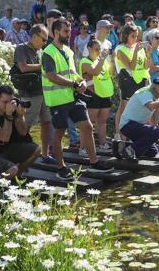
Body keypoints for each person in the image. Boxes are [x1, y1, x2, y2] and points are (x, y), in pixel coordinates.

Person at [41, 18, 113, 180]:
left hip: (73, 96)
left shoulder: (68, 50)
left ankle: (94, 162)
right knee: (59, 133)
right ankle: (61, 167)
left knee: (87, 126)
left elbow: (72, 72)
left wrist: (80, 81)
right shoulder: (48, 52)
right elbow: (52, 76)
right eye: (66, 31)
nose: (69, 33)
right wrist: (74, 84)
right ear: (56, 32)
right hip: (57, 99)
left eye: (69, 30)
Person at [14, 24, 54, 163]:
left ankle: (45, 154)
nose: (45, 43)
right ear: (34, 36)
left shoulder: (40, 50)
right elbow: (23, 67)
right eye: (43, 40)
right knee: (26, 126)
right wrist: (44, 67)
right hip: (29, 93)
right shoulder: (21, 48)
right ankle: (20, 155)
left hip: (43, 92)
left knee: (47, 122)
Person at [118, 78, 159, 158]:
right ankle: (129, 150)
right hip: (127, 125)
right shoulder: (145, 93)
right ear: (155, 86)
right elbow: (151, 106)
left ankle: (126, 147)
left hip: (136, 126)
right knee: (157, 132)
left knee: (152, 151)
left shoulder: (155, 96)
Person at [78, 37, 114, 152]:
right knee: (88, 123)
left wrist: (111, 58)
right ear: (89, 49)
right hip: (92, 94)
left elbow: (109, 74)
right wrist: (103, 58)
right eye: (96, 49)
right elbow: (95, 72)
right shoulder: (85, 61)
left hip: (105, 93)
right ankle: (83, 148)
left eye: (100, 49)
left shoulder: (101, 60)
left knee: (102, 121)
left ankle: (103, 144)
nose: (99, 51)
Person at [115, 24, 152, 133]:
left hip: (142, 81)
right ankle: (119, 133)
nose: (136, 38)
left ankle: (139, 133)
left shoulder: (138, 47)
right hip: (128, 82)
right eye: (133, 36)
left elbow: (146, 66)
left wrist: (148, 54)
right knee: (124, 109)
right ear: (125, 36)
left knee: (142, 109)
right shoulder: (120, 49)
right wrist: (136, 51)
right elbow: (131, 66)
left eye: (136, 36)